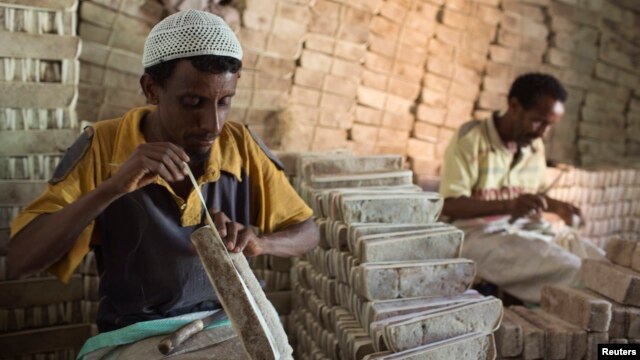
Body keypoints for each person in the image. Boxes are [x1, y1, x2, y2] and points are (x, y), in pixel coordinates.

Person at [8, 9, 318, 357]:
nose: (212, 124)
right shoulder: (104, 145)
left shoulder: (240, 145)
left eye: (224, 102)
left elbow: (308, 231)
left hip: (229, 321)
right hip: (138, 336)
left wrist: (261, 243)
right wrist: (112, 187)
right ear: (151, 89)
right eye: (192, 103)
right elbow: (21, 260)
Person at [439, 73, 599, 304]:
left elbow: (535, 195)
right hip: (478, 235)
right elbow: (451, 205)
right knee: (574, 272)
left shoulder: (534, 146)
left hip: (525, 228)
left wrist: (557, 207)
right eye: (538, 121)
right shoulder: (471, 139)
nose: (543, 132)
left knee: (599, 263)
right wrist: (510, 205)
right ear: (514, 106)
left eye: (550, 125)